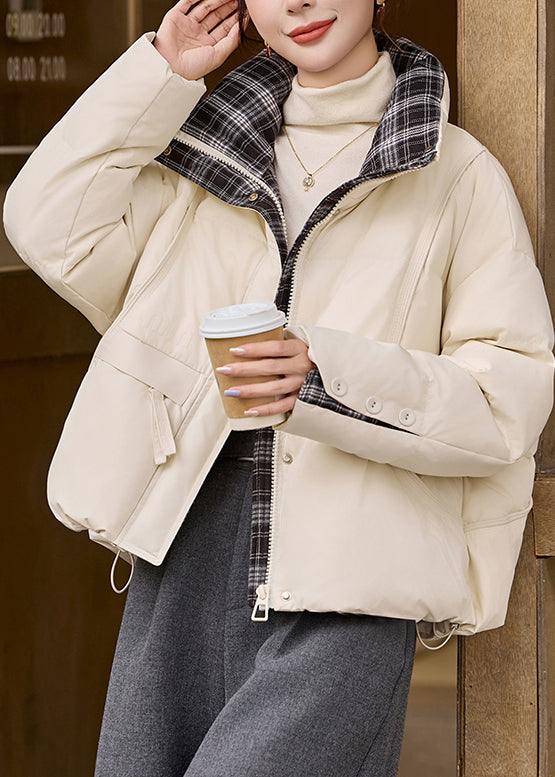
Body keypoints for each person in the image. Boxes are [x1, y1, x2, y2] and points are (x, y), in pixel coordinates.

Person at [3, 0, 554, 775]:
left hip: (353, 584)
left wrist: (324, 376)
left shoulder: (456, 176)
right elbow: (45, 218)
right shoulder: (197, 160)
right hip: (186, 551)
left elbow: (506, 401)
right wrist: (160, 70)